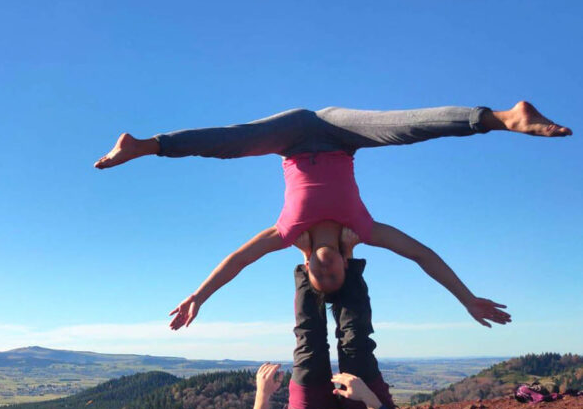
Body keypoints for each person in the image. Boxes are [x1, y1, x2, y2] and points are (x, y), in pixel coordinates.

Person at [93, 102, 570, 326]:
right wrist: (466, 298)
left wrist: (199, 295)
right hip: (341, 134)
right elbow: (423, 256)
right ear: (345, 262)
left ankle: (146, 146)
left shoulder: (287, 233)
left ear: (306, 267)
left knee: (231, 143)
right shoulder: (362, 230)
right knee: (405, 128)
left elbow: (237, 261)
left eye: (316, 274)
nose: (324, 268)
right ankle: (504, 118)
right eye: (334, 272)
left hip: (294, 135)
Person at [248, 259, 417, 409]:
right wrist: (367, 397)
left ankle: (310, 268)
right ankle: (346, 265)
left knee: (310, 346)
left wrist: (262, 395)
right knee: (355, 344)